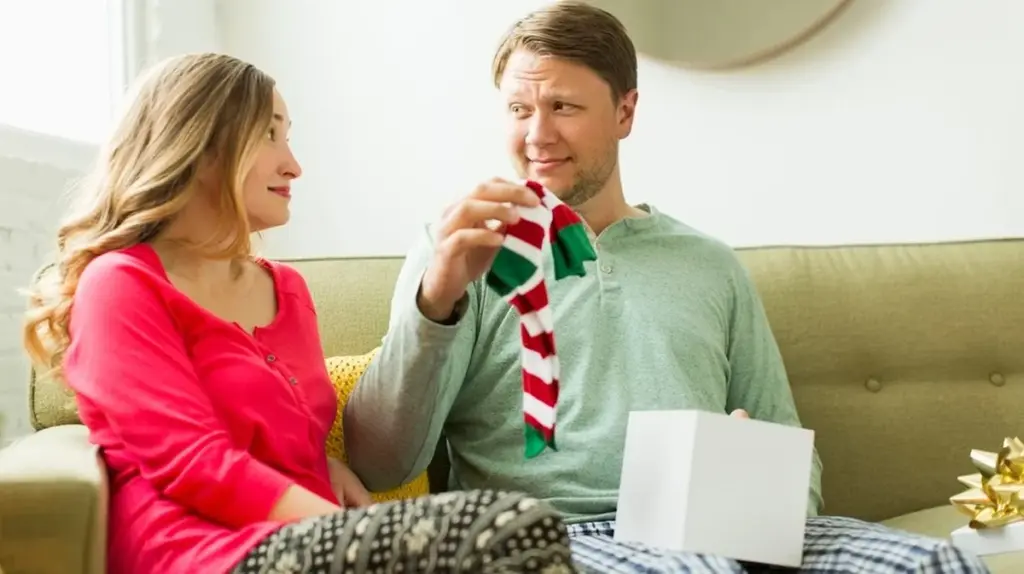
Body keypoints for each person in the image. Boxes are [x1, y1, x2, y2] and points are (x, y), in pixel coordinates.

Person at [342, 2, 990, 573]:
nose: (537, 135)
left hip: (720, 532)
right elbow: (382, 463)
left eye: (563, 106)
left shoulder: (708, 265)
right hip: (551, 537)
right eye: (519, 109)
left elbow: (787, 448)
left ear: (626, 112)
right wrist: (437, 302)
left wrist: (754, 483)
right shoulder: (458, 251)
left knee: (937, 561)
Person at [21, 53, 578, 574]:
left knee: (529, 536)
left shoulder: (286, 290)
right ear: (200, 144)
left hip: (302, 542)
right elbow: (192, 460)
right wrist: (349, 527)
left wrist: (327, 472)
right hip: (199, 553)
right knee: (516, 528)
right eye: (270, 135)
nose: (294, 165)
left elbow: (296, 436)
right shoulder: (121, 285)